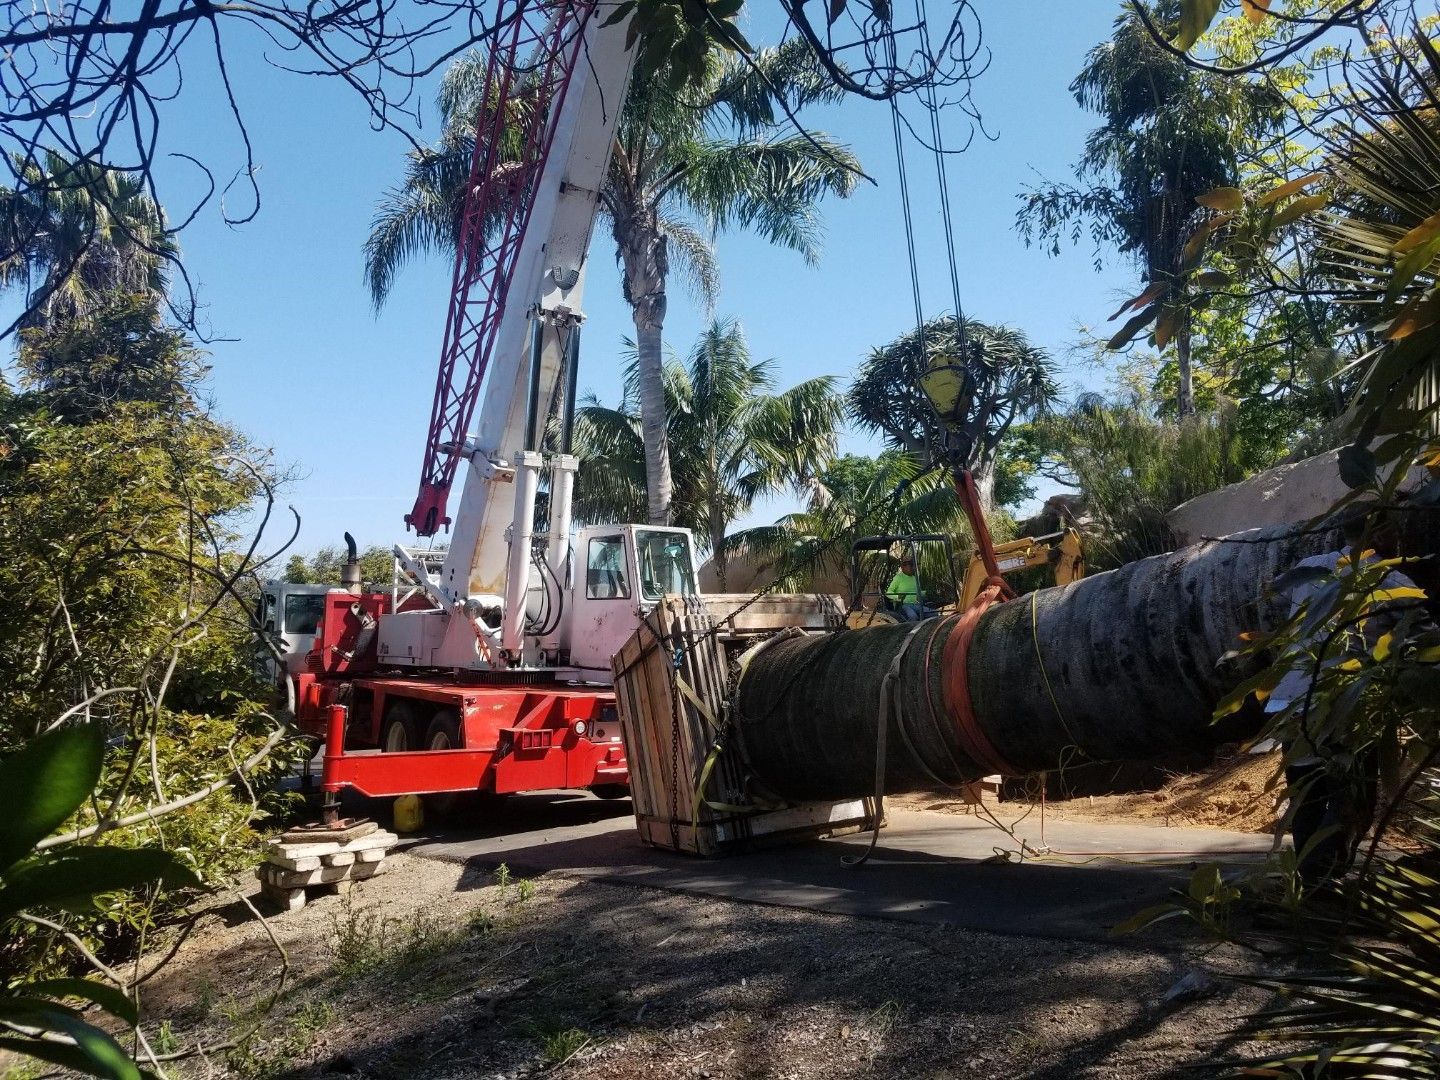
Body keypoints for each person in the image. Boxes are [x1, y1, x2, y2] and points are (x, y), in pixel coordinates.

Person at [886, 553, 927, 622]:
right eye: (910, 565)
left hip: (916, 604)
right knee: (913, 617)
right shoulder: (898, 578)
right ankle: (912, 632)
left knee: (933, 613)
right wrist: (898, 597)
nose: (913, 567)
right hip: (903, 605)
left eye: (913, 565)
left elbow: (918, 593)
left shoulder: (915, 578)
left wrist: (924, 594)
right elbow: (888, 593)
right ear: (903, 567)